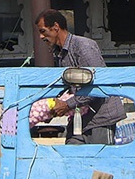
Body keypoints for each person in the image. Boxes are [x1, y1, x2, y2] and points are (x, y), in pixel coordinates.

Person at [34, 9, 125, 145]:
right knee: (71, 158)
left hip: (101, 117)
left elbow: (98, 85)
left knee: (99, 163)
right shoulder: (61, 54)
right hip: (80, 117)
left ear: (55, 27)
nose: (41, 37)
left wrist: (67, 104)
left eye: (43, 31)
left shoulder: (83, 47)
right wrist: (49, 110)